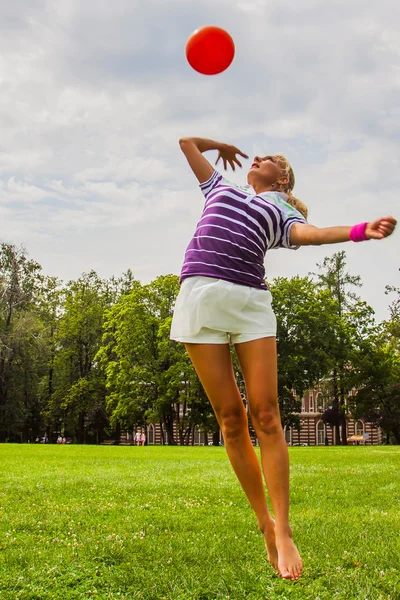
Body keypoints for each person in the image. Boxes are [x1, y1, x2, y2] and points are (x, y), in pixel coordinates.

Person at [170, 137, 397, 581]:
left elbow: (310, 236)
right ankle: (265, 524)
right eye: (254, 157)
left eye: (267, 158)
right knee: (231, 420)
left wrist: (357, 230)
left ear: (284, 177)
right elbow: (185, 143)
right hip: (198, 298)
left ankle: (286, 529)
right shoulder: (221, 189)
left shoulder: (281, 212)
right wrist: (220, 145)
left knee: (267, 414)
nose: (256, 159)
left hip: (250, 304)